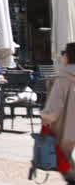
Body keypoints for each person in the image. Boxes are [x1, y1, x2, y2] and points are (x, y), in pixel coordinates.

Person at [42, 42, 75, 183]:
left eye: (63, 54)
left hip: (68, 125)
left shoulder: (64, 77)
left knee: (62, 155)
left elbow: (54, 105)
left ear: (68, 56)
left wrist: (46, 118)